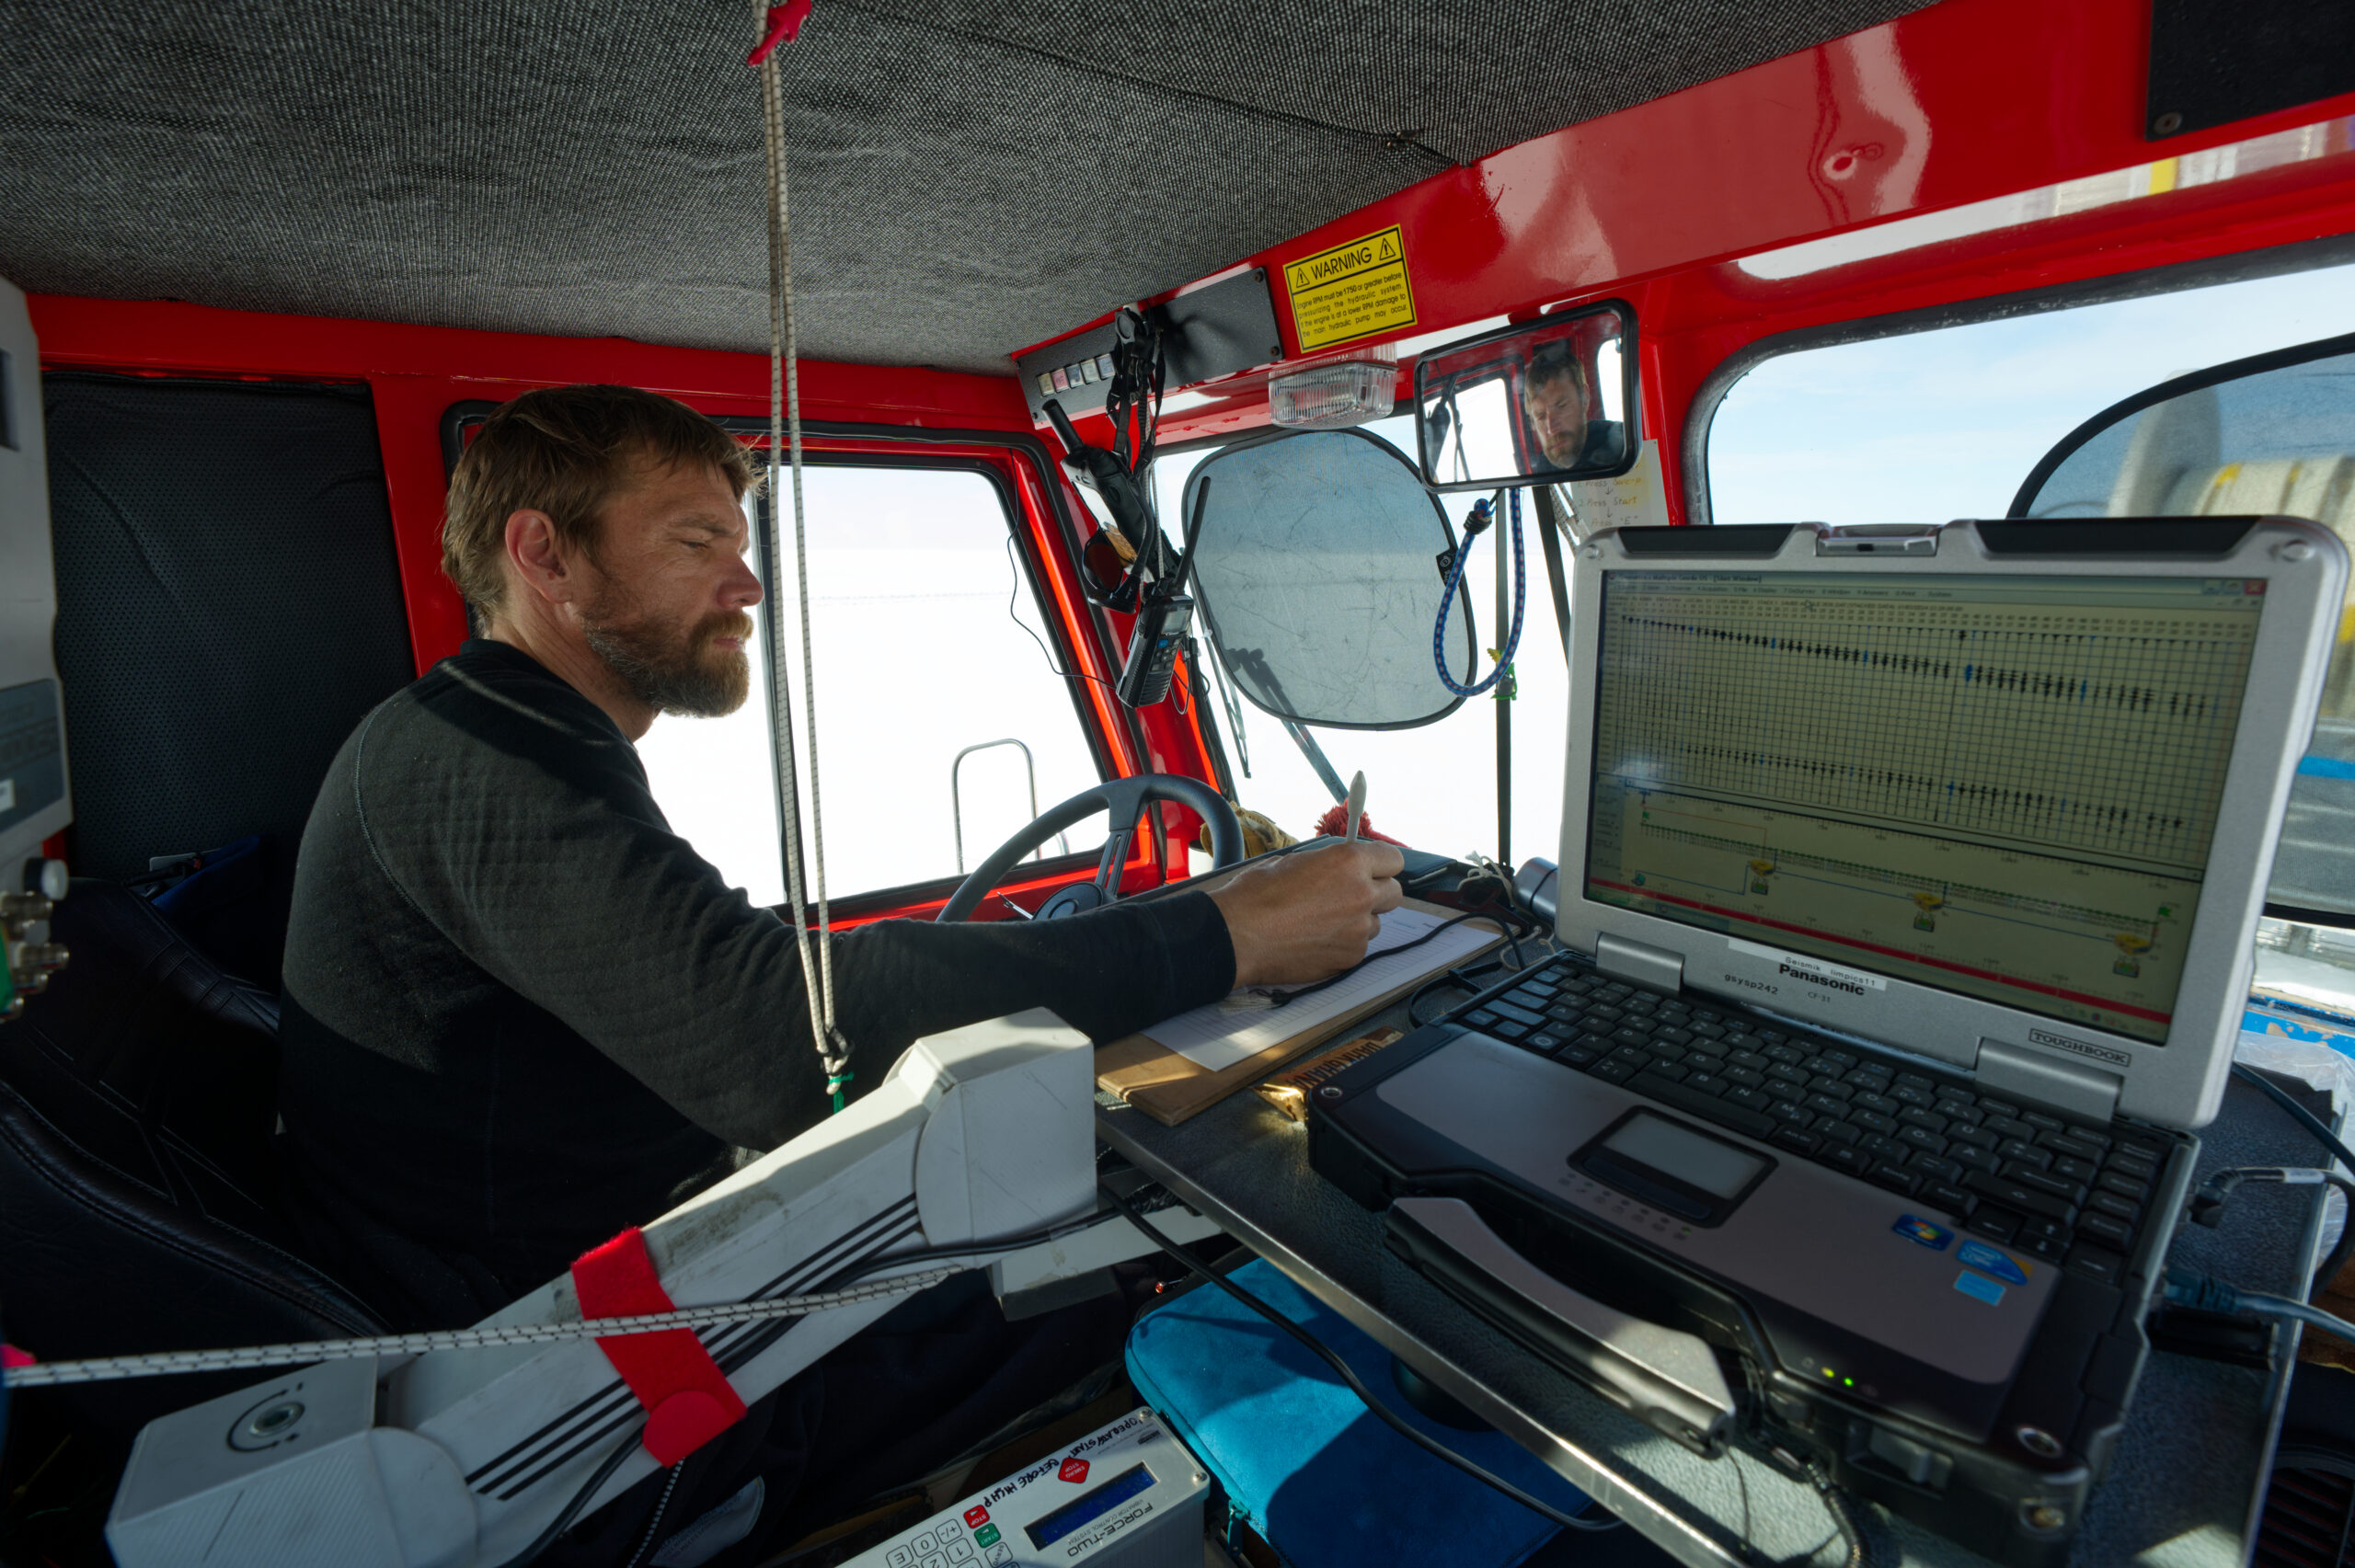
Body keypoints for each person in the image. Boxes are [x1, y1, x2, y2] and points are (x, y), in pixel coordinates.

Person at [277, 383, 1403, 1331]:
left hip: (600, 1252)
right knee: (1188, 1278)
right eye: (695, 541)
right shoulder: (477, 757)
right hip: (590, 1345)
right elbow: (779, 1038)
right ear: (544, 554)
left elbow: (721, 976)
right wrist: (1233, 931)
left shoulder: (492, 731)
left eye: (742, 542)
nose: (749, 584)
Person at [1523, 338, 1626, 472]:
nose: (1551, 428)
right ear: (1532, 423)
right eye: (1541, 416)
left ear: (1584, 398)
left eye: (1561, 406)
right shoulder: (1542, 467)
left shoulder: (1620, 443)